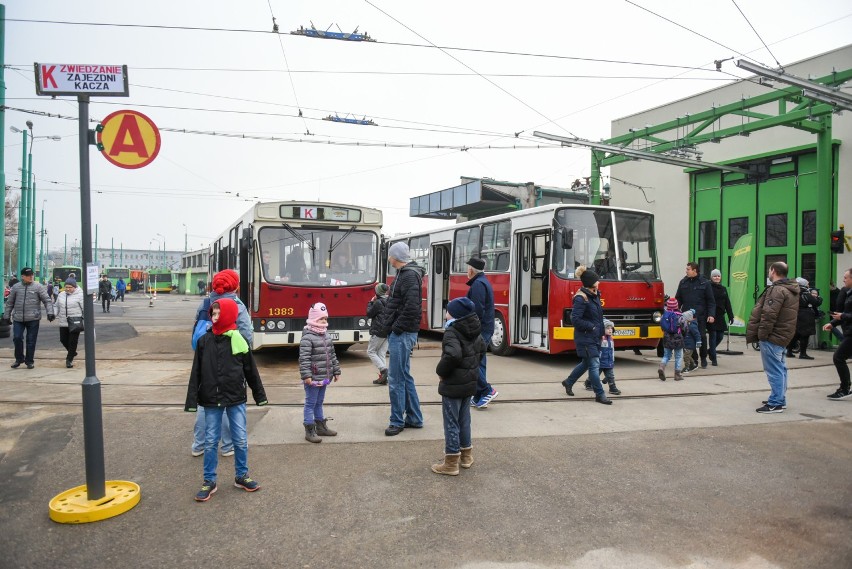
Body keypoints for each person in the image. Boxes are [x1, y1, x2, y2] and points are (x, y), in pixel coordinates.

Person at [185, 298, 268, 501]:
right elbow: (196, 373)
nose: (214, 318)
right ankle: (209, 481)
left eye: (217, 314)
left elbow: (251, 371)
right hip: (211, 399)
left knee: (240, 439)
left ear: (229, 315)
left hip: (235, 398)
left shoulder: (239, 340)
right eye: (212, 314)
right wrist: (191, 401)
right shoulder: (204, 341)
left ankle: (242, 476)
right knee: (211, 440)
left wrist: (260, 396)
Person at [190, 269, 253, 458]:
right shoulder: (236, 305)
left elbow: (196, 328)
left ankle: (198, 445)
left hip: (206, 358)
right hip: (230, 359)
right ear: (235, 286)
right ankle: (227, 446)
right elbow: (246, 335)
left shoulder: (207, 302)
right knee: (228, 401)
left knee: (206, 402)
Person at [431, 297, 486, 476]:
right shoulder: (475, 329)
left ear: (454, 315)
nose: (445, 313)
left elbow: (453, 355)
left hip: (453, 384)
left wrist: (440, 371)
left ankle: (451, 463)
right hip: (469, 382)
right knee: (464, 420)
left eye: (448, 311)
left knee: (451, 422)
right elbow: (482, 349)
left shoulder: (452, 332)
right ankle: (466, 457)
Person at [376, 241, 426, 435]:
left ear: (395, 257)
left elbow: (412, 308)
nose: (388, 258)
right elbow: (403, 303)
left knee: (396, 379)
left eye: (390, 255)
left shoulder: (408, 276)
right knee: (404, 376)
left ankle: (397, 421)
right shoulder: (405, 275)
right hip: (402, 332)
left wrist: (396, 328)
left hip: (402, 334)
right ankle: (414, 418)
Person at [746, 262, 799, 413]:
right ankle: (780, 398)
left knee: (774, 370)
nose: (768, 273)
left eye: (769, 270)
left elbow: (768, 315)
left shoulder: (777, 290)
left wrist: (762, 336)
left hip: (773, 337)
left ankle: (776, 402)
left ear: (773, 271)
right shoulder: (790, 289)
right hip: (782, 336)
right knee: (781, 368)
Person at [560, 266, 612, 404]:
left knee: (585, 363)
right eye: (596, 280)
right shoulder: (581, 298)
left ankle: (568, 382)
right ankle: (599, 394)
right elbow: (575, 319)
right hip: (585, 337)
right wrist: (592, 327)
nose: (599, 282)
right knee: (594, 365)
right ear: (590, 282)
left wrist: (600, 331)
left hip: (594, 336)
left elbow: (598, 317)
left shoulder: (595, 295)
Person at [299, 302, 341, 443]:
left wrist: (336, 371)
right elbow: (304, 359)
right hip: (313, 377)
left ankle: (321, 426)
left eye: (325, 319)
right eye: (321, 319)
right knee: (311, 403)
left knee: (319, 402)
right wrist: (307, 376)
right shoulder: (307, 337)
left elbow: (332, 355)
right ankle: (309, 429)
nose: (324, 322)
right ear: (313, 320)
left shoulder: (326, 336)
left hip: (324, 376)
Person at [4, 268, 55, 370]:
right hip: (18, 318)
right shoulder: (16, 287)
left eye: (32, 275)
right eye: (28, 275)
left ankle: (29, 361)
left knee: (31, 340)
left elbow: (47, 300)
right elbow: (10, 303)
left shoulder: (38, 287)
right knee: (17, 338)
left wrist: (50, 312)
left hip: (33, 318)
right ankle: (19, 359)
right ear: (22, 276)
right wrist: (6, 316)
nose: (31, 276)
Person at [465, 257, 498, 409]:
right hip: (485, 328)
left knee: (472, 362)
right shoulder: (483, 281)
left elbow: (477, 310)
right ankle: (479, 395)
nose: (467, 271)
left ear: (471, 270)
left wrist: (471, 329)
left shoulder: (478, 284)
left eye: (467, 268)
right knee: (479, 362)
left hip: (480, 329)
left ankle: (486, 390)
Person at [675, 262, 716, 369]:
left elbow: (711, 301)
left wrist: (711, 315)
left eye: (688, 269)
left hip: (700, 316)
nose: (686, 271)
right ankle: (695, 359)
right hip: (686, 317)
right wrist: (675, 311)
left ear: (695, 270)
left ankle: (703, 358)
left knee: (701, 337)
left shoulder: (704, 283)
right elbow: (678, 298)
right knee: (688, 338)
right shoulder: (683, 282)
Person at [822, 267, 852, 401]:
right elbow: (843, 314)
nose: (843, 279)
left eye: (846, 277)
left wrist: (843, 316)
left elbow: (845, 315)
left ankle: (845, 389)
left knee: (838, 357)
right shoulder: (848, 292)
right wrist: (833, 323)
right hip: (848, 331)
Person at [786, 277, 822, 360]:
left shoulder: (793, 292)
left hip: (795, 314)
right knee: (805, 335)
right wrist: (819, 298)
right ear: (804, 285)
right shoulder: (806, 294)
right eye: (807, 284)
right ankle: (803, 353)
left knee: (795, 334)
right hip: (805, 316)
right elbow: (816, 303)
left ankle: (789, 351)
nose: (809, 285)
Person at [584, 319, 622, 395]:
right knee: (595, 375)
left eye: (611, 328)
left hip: (609, 362)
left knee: (610, 375)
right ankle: (588, 382)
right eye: (607, 328)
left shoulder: (611, 339)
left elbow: (612, 350)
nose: (610, 330)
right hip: (599, 362)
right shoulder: (600, 339)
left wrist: (612, 359)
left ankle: (612, 388)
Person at [56, 277, 84, 368]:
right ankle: (72, 352)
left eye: (70, 287)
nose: (68, 289)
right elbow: (56, 306)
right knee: (63, 339)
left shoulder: (80, 295)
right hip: (63, 321)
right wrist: (53, 314)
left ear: (75, 287)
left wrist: (85, 319)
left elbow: (85, 308)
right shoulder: (61, 295)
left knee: (73, 341)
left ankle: (69, 359)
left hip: (75, 321)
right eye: (66, 287)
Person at [708, 269, 734, 366]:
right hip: (711, 316)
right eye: (714, 276)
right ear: (711, 277)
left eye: (718, 276)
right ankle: (714, 358)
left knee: (720, 336)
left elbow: (727, 303)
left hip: (720, 316)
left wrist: (731, 315)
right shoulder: (709, 287)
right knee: (713, 337)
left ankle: (710, 350)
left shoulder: (723, 289)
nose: (716, 278)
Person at [367, 283, 390, 385]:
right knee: (381, 353)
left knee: (370, 351)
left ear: (377, 292)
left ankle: (384, 370)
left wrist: (371, 302)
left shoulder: (378, 303)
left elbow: (369, 314)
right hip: (388, 331)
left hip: (378, 331)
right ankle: (384, 378)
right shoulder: (390, 300)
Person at [658, 297, 685, 381]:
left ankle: (661, 367)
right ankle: (677, 375)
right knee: (678, 356)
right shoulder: (680, 315)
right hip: (678, 337)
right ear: (677, 305)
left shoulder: (664, 315)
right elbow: (685, 327)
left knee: (666, 355)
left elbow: (662, 327)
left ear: (668, 306)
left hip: (667, 337)